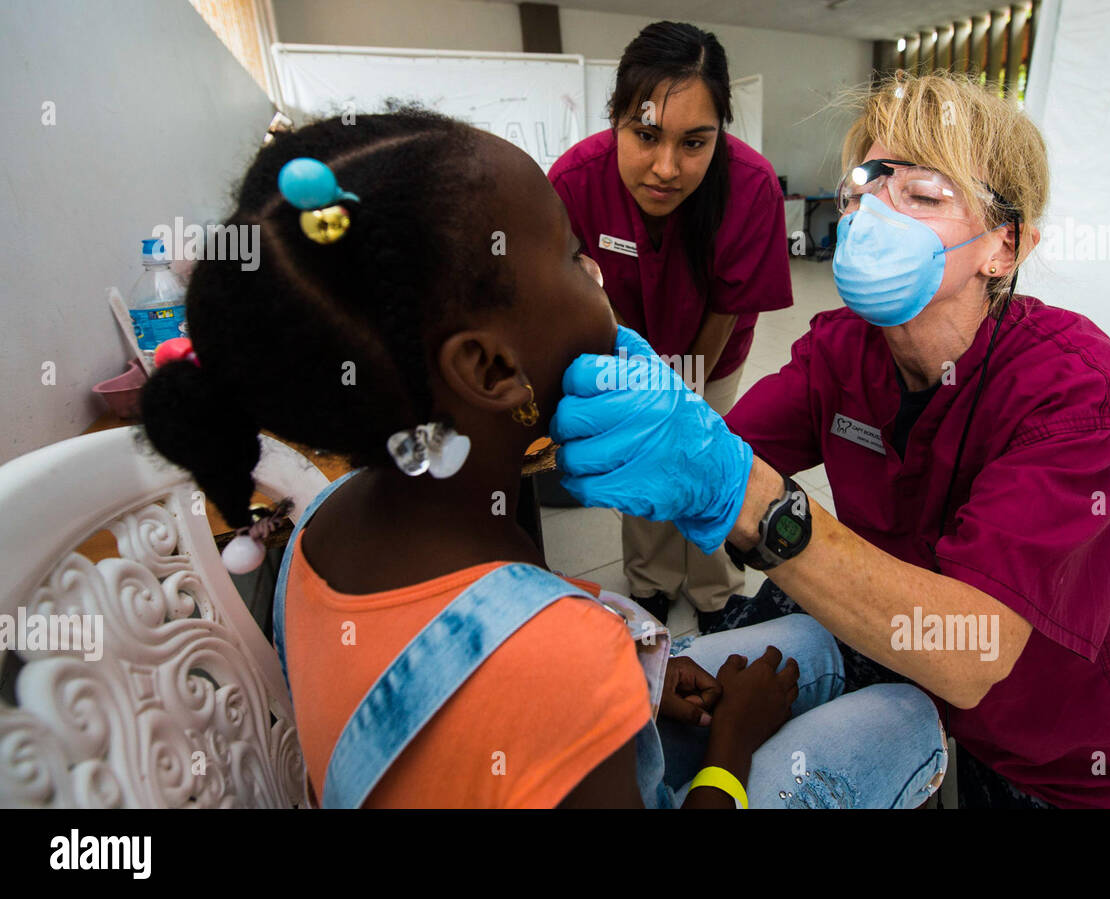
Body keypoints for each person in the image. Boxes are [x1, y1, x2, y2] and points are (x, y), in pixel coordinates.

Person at [138, 109, 946, 808]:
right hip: (567, 704)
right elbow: (534, 663)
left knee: (807, 644)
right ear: (490, 369)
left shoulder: (322, 518)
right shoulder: (556, 658)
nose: (598, 276)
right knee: (908, 716)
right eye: (570, 257)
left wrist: (646, 682)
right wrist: (730, 749)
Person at [549, 72, 1110, 809]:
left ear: (1003, 247)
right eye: (865, 187)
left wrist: (755, 501)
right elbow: (720, 441)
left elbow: (971, 650)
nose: (874, 214)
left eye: (922, 195)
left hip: (1059, 751)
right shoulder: (845, 349)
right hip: (905, 675)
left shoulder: (1072, 387)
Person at [549, 21, 793, 634]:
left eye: (694, 143)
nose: (666, 168)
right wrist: (640, 377)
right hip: (623, 344)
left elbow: (729, 305)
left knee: (708, 453)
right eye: (646, 135)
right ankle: (651, 580)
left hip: (711, 353)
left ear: (719, 136)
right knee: (645, 459)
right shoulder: (576, 181)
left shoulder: (751, 185)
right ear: (615, 118)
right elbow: (578, 292)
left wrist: (682, 390)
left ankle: (717, 591)